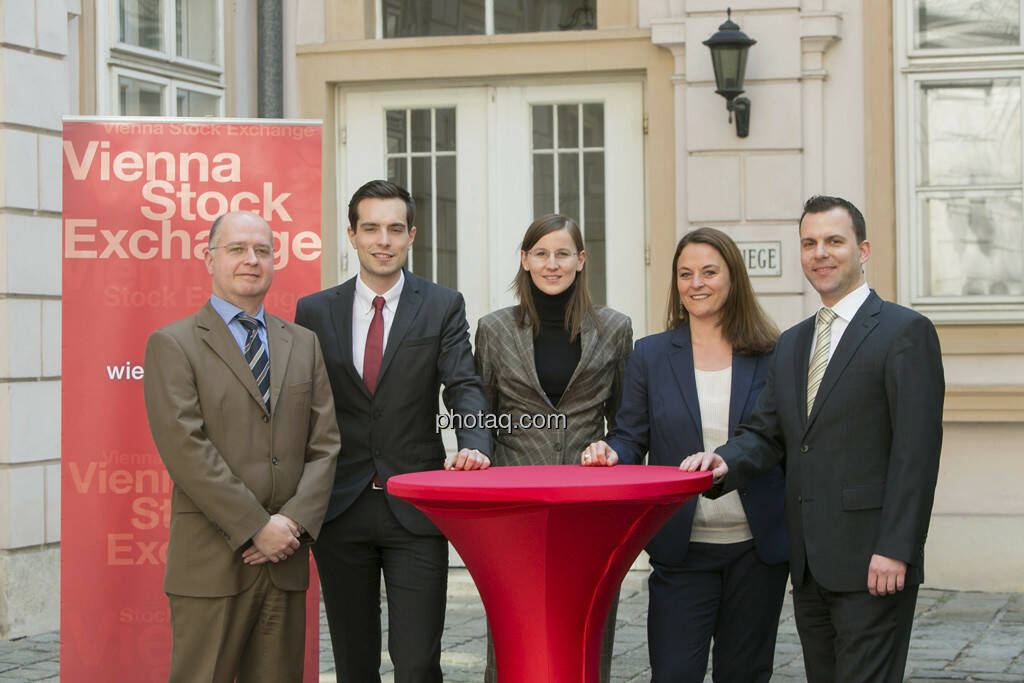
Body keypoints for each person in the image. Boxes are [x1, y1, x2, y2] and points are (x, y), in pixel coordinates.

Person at [681, 196, 945, 683]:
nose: (819, 253)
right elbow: (766, 433)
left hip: (873, 561)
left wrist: (897, 548)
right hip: (808, 565)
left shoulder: (906, 332)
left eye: (833, 241)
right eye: (809, 243)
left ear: (862, 250)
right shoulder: (794, 342)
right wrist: (721, 463)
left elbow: (917, 454)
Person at [294, 179, 492, 683]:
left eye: (395, 229)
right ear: (352, 236)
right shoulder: (314, 311)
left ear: (411, 236)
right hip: (339, 507)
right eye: (371, 228)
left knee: (418, 663)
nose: (383, 239)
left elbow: (463, 383)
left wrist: (473, 443)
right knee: (354, 662)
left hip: (416, 507)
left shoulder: (442, 304)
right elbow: (301, 405)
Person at [581, 227, 788, 682]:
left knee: (745, 673)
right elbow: (630, 437)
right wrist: (611, 453)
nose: (697, 283)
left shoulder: (774, 354)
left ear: (732, 278)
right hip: (681, 548)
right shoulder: (652, 355)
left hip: (757, 550)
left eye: (709, 272)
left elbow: (776, 439)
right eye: (686, 273)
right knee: (674, 673)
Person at [142, 211, 340, 683]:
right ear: (208, 259)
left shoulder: (304, 344)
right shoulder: (173, 344)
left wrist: (289, 525)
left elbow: (326, 444)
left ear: (275, 260)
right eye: (236, 249)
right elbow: (186, 449)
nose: (251, 260)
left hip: (285, 561)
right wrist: (256, 527)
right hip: (213, 563)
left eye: (262, 250)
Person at [475, 213, 633, 683]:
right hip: (515, 506)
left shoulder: (616, 328)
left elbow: (627, 421)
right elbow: (479, 414)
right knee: (512, 627)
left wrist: (612, 452)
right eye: (541, 253)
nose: (552, 264)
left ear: (581, 261)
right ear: (524, 260)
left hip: (589, 504)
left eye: (563, 253)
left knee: (587, 623)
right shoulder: (494, 329)